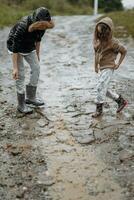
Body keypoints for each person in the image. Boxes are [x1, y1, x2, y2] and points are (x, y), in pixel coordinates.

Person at [7, 7, 54, 114]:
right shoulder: (23, 25)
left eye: (45, 25)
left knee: (36, 68)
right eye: (41, 25)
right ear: (35, 21)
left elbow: (38, 40)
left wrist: (37, 54)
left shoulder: (44, 25)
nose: (43, 27)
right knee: (21, 74)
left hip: (29, 46)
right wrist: (15, 68)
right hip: (15, 47)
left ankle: (31, 97)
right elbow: (15, 46)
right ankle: (21, 104)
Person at [92, 17, 127, 118]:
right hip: (102, 68)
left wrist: (118, 64)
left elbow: (124, 51)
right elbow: (96, 54)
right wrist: (95, 66)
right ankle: (121, 101)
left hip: (109, 67)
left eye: (103, 32)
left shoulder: (113, 42)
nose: (101, 35)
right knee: (104, 89)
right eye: (98, 32)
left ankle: (99, 110)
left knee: (100, 86)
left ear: (108, 31)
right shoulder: (98, 41)